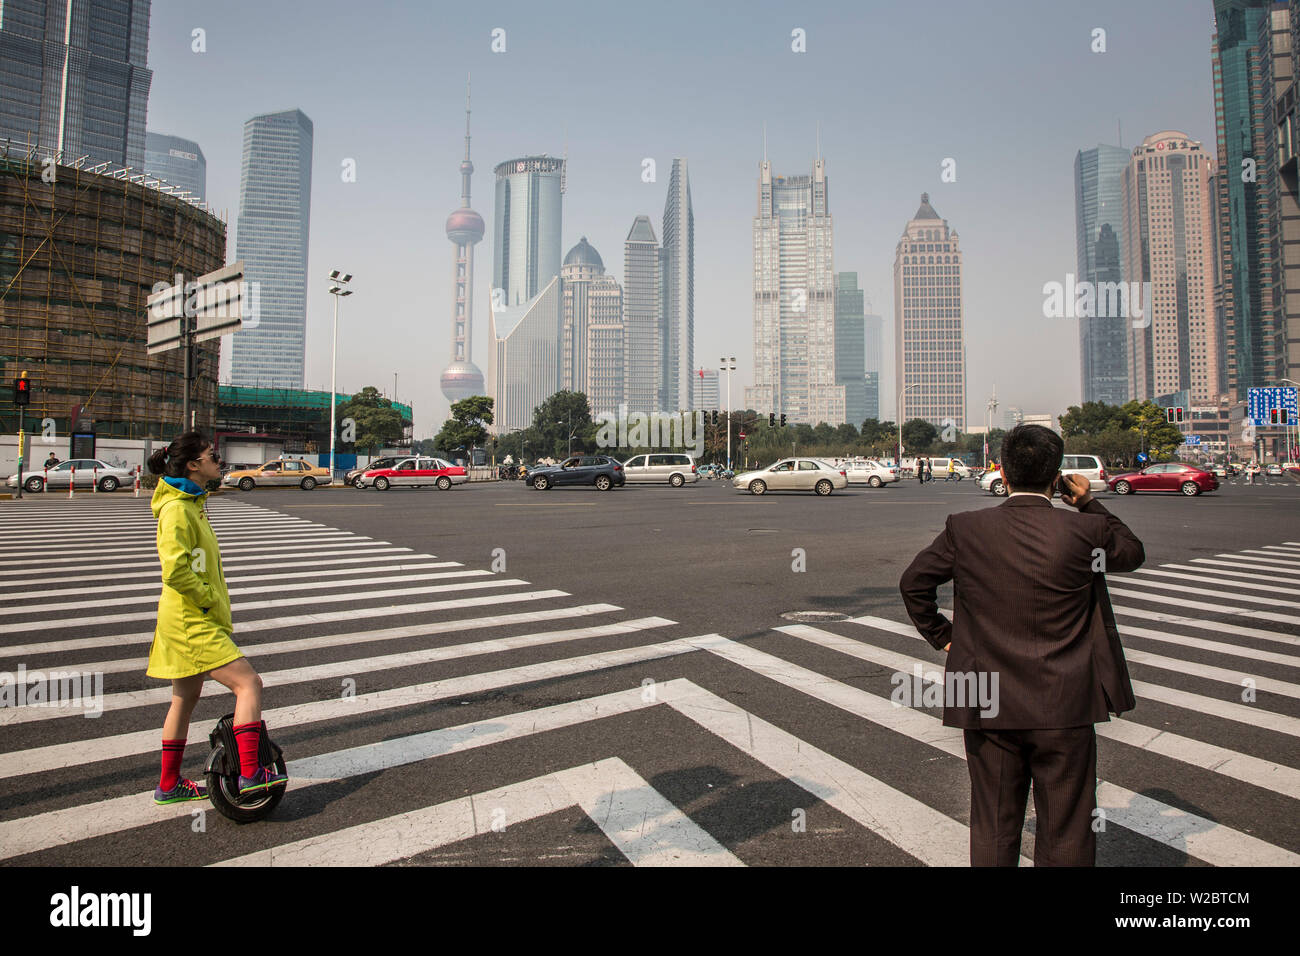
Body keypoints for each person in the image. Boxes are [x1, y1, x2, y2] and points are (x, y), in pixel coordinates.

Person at [899, 424, 1144, 866]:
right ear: (1057, 476)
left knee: (993, 822)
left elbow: (914, 584)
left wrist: (945, 637)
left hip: (985, 697)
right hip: (1066, 699)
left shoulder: (966, 528)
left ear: (1004, 474)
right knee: (1068, 825)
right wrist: (1087, 501)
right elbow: (1131, 552)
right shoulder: (1085, 532)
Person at [146, 431, 287, 805]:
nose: (218, 460)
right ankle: (250, 774)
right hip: (192, 620)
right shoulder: (177, 509)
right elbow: (175, 570)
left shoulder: (192, 501)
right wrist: (208, 599)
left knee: (184, 698)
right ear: (194, 465)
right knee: (249, 685)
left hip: (187, 618)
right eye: (211, 456)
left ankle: (169, 784)